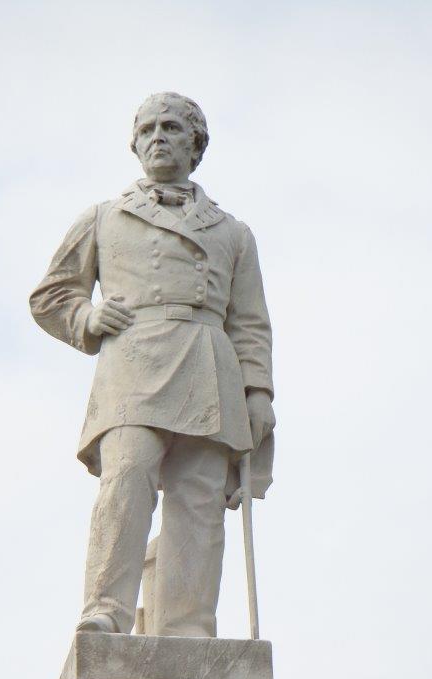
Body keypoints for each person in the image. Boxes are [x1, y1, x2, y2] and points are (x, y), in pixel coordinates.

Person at [30, 92, 275, 637]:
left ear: (196, 144)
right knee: (128, 477)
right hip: (134, 363)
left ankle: (189, 625)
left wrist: (259, 392)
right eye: (147, 129)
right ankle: (107, 610)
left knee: (199, 496)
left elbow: (251, 320)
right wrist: (87, 318)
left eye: (171, 127)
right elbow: (51, 296)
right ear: (135, 144)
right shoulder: (102, 217)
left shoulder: (233, 232)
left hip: (210, 367)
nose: (157, 136)